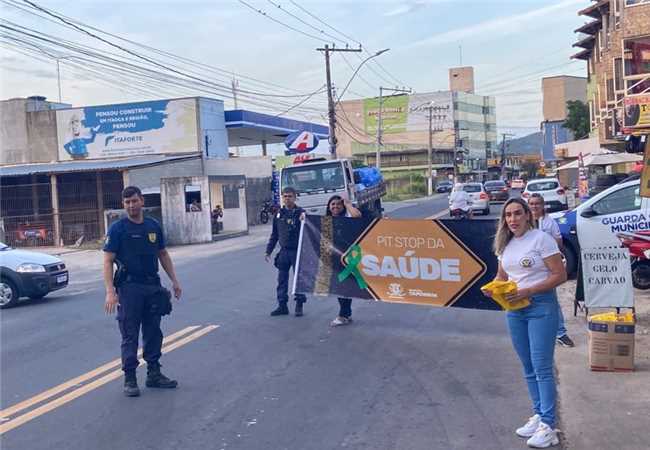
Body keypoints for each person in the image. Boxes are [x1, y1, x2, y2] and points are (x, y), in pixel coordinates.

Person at [482, 198, 566, 448]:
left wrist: (527, 290)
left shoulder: (541, 239)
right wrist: (493, 288)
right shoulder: (504, 243)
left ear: (528, 215)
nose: (513, 219)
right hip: (515, 309)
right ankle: (539, 414)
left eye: (518, 213)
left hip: (541, 306)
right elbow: (502, 275)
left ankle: (549, 426)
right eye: (508, 215)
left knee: (542, 367)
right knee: (528, 366)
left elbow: (559, 275)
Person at [103, 186, 182, 397]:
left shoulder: (152, 226)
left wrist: (174, 280)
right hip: (129, 288)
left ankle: (154, 374)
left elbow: (163, 254)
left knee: (153, 331)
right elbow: (108, 260)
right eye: (127, 202)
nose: (131, 205)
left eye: (134, 201)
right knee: (130, 333)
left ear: (142, 202)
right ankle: (130, 378)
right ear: (123, 204)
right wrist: (110, 291)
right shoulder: (117, 229)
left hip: (152, 286)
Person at [528, 193, 575, 348]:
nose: (534, 206)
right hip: (528, 268)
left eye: (537, 204)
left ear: (542, 206)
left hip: (546, 267)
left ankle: (560, 333)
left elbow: (559, 243)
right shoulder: (524, 221)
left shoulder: (549, 222)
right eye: (531, 203)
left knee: (551, 300)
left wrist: (545, 245)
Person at [265, 187, 307, 317]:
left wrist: (305, 219)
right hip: (284, 252)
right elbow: (275, 234)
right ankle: (282, 305)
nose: (287, 199)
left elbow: (309, 231)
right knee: (281, 279)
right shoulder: (279, 214)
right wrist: (268, 251)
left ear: (295, 197)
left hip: (297, 251)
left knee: (298, 280)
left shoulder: (301, 213)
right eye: (285, 196)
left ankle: (299, 304)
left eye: (290, 196)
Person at [325, 195, 362, 327]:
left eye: (338, 204)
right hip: (334, 258)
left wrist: (347, 204)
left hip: (347, 258)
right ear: (328, 207)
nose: (335, 207)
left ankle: (343, 315)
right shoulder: (326, 221)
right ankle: (346, 313)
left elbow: (357, 216)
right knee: (341, 286)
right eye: (332, 204)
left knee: (343, 286)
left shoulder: (348, 219)